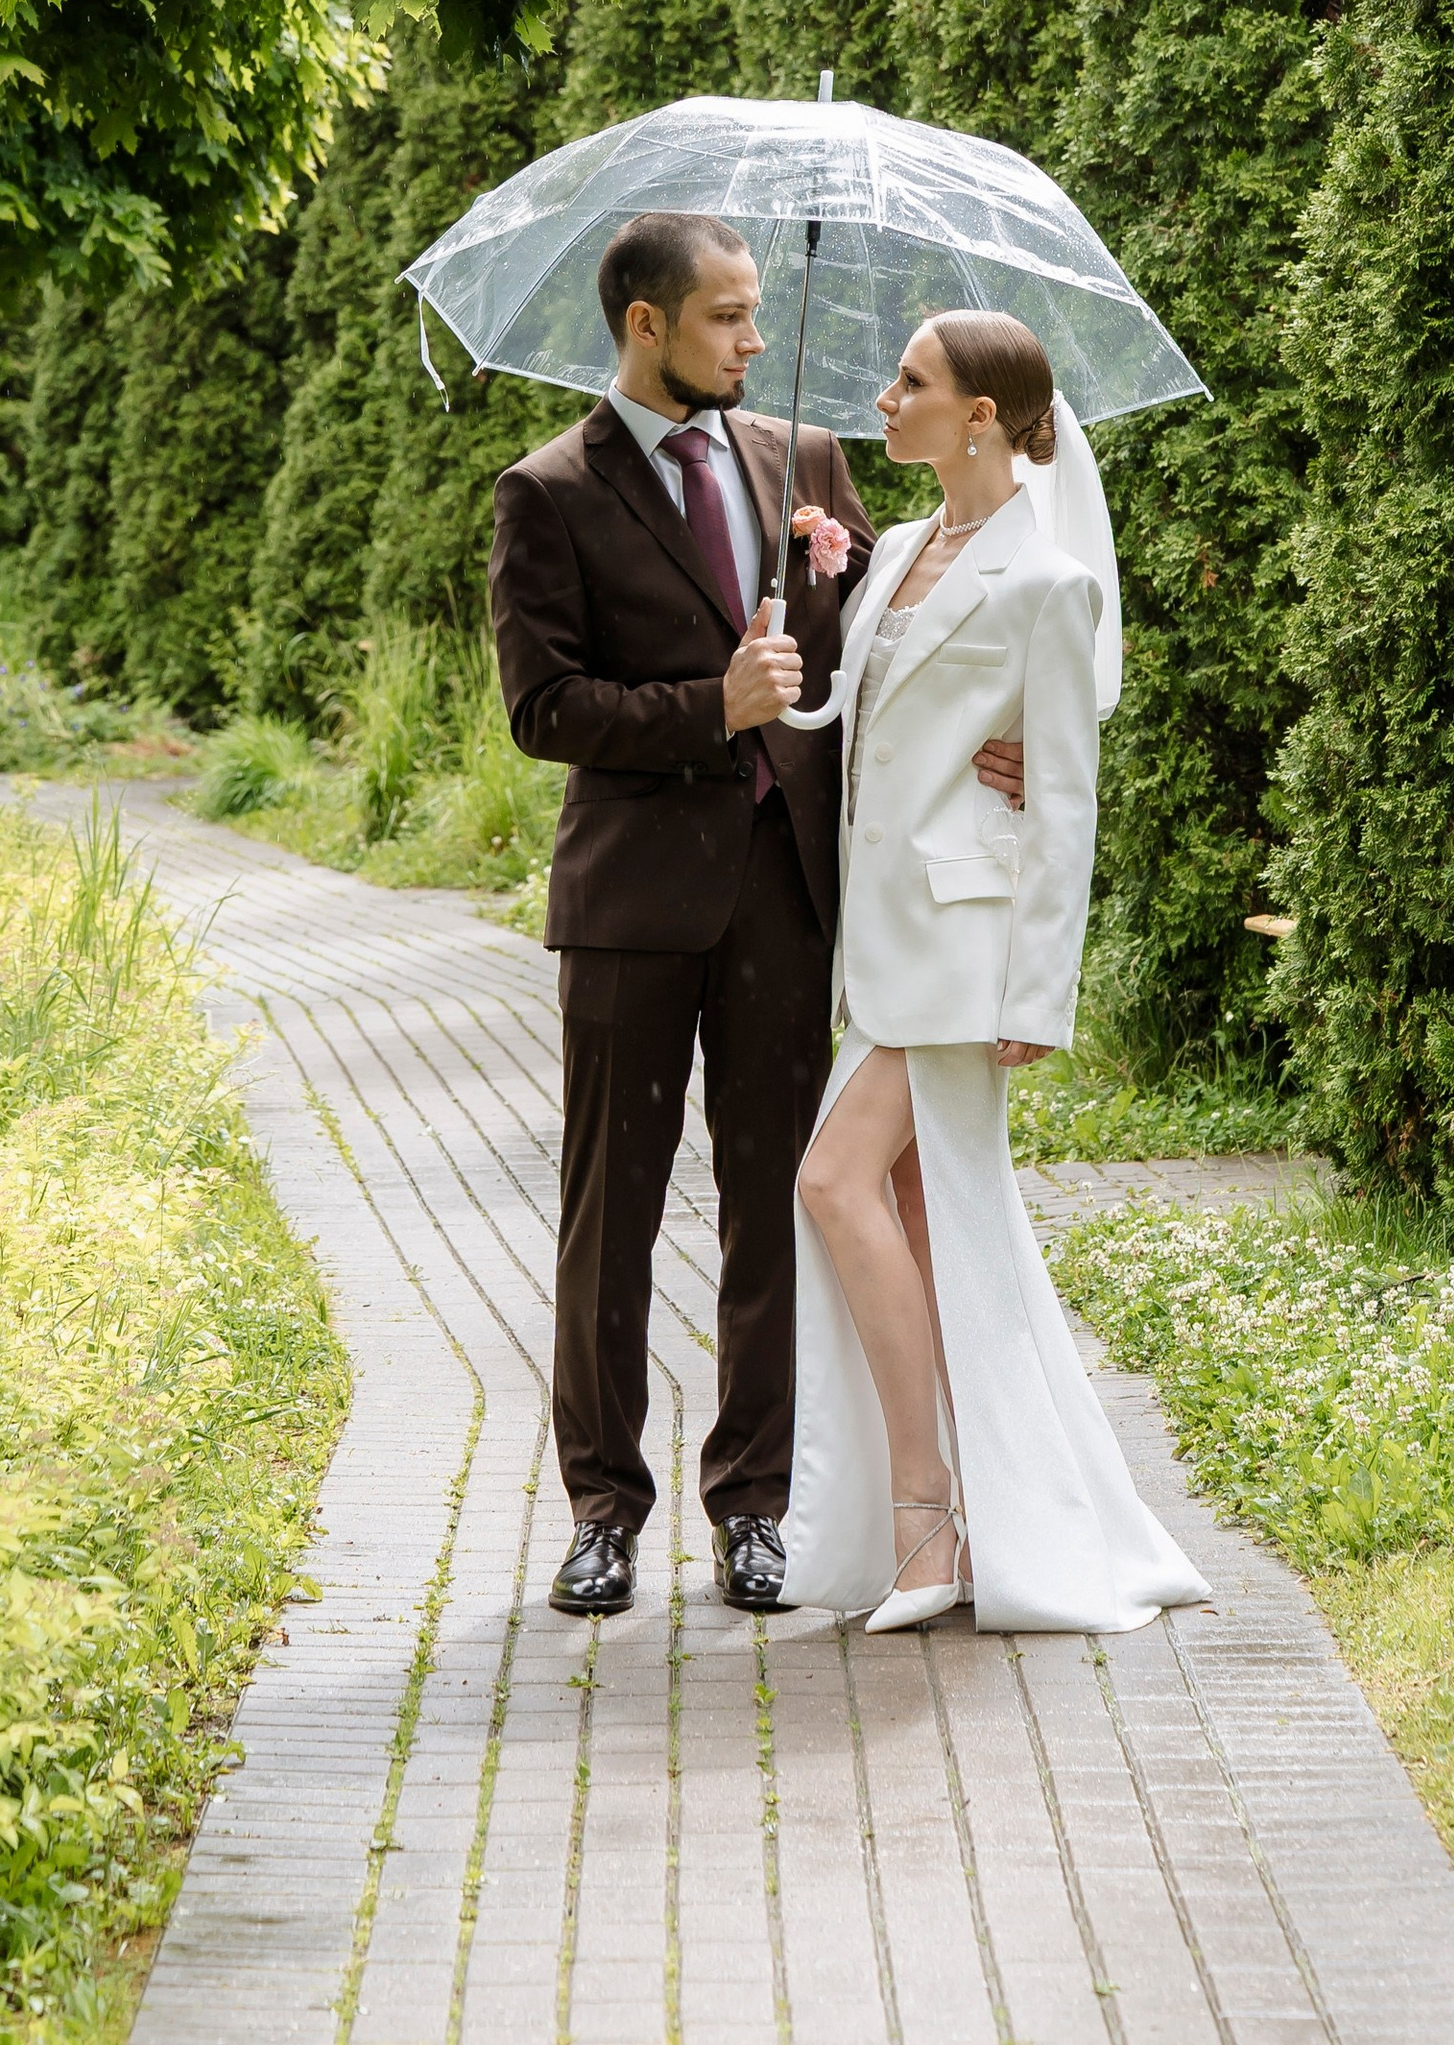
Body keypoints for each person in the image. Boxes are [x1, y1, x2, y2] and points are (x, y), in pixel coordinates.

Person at [489, 213, 1024, 1622]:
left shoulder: (808, 465)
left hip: (787, 897)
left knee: (770, 1207)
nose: (752, 338)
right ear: (646, 327)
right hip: (629, 907)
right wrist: (700, 711)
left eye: (751, 312)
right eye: (726, 318)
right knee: (608, 1211)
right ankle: (603, 1510)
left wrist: (983, 739)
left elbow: (866, 669)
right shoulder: (547, 491)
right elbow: (542, 709)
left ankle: (756, 1507)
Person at [782, 310, 1208, 1634]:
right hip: (886, 942)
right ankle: (1000, 1509)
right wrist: (788, 620)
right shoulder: (904, 546)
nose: (884, 396)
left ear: (980, 417)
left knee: (830, 1180)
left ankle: (929, 1522)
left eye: (910, 381)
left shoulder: (1047, 584)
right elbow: (858, 727)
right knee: (922, 1219)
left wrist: (1041, 997)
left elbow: (1061, 803)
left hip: (967, 950)